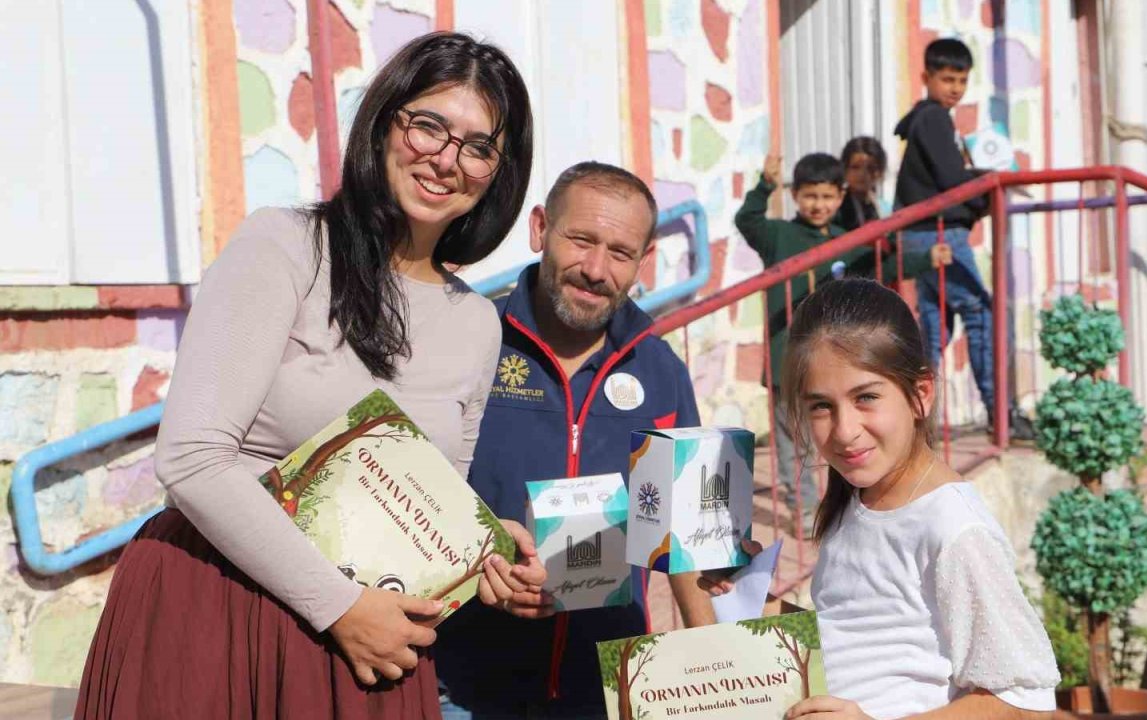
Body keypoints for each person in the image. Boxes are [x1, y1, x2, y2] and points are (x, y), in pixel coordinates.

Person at [76, 32, 539, 719]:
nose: (447, 159)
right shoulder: (285, 246)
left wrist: (484, 552)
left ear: (498, 174)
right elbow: (192, 457)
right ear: (385, 125)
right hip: (221, 610)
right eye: (429, 126)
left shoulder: (476, 322)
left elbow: (424, 497)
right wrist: (341, 606)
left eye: (478, 147)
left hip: (370, 645)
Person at [434, 162, 715, 719]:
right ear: (540, 229)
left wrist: (717, 662)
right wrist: (480, 558)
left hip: (611, 692)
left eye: (619, 252)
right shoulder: (466, 344)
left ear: (644, 261)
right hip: (465, 686)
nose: (595, 269)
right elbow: (411, 492)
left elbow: (692, 536)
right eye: (581, 240)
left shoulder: (662, 370)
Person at [705, 278, 1060, 719]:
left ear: (920, 395)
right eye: (821, 406)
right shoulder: (856, 499)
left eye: (866, 397)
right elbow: (854, 636)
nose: (845, 430)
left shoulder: (953, 529)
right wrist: (757, 599)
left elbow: (1024, 701)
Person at [735, 153, 947, 532]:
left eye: (828, 197)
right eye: (811, 196)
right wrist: (765, 185)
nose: (820, 205)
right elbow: (746, 221)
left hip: (838, 369)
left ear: (840, 196)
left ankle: (844, 508)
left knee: (841, 436)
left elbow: (877, 265)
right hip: (790, 358)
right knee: (793, 442)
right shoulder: (779, 235)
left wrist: (925, 259)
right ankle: (803, 511)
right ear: (796, 195)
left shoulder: (844, 240)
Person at [894, 37, 1034, 439]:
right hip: (936, 234)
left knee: (935, 329)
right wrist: (990, 185)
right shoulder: (934, 118)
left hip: (924, 234)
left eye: (961, 80)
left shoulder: (931, 120)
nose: (955, 87)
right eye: (947, 78)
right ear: (927, 78)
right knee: (980, 314)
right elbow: (953, 184)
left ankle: (913, 419)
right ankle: (1001, 411)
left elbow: (948, 183)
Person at [834, 136, 890, 233]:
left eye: (870, 168)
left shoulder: (884, 209)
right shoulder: (835, 207)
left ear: (880, 172)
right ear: (844, 168)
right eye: (855, 167)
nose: (862, 174)